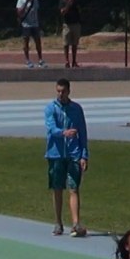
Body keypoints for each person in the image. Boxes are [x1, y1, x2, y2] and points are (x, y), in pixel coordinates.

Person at [44, 78, 88, 237]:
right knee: (57, 188)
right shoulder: (50, 108)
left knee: (74, 188)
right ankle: (58, 222)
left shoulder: (76, 109)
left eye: (63, 91)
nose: (60, 94)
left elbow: (82, 132)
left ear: (69, 91)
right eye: (58, 91)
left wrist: (84, 155)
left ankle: (76, 223)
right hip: (55, 154)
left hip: (73, 154)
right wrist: (64, 133)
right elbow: (51, 128)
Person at [16, 0, 46, 68]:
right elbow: (19, 12)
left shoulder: (35, 0)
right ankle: (27, 60)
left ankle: (40, 60)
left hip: (35, 24)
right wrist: (26, 3)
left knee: (38, 42)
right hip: (26, 25)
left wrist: (40, 24)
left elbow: (37, 12)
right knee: (26, 42)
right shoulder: (21, 0)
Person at [60, 0, 82, 68]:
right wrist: (68, 4)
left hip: (76, 24)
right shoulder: (62, 1)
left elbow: (80, 10)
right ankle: (66, 61)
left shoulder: (76, 1)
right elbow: (62, 12)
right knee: (66, 43)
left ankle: (74, 61)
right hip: (67, 25)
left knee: (74, 44)